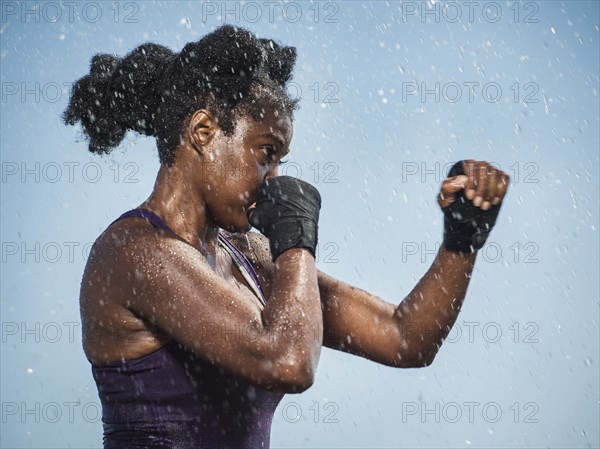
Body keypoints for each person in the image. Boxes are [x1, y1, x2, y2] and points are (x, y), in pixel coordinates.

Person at [64, 25, 510, 449]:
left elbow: (405, 338)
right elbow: (287, 362)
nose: (274, 179)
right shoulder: (135, 252)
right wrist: (297, 240)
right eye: (266, 153)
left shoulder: (247, 255)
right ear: (203, 132)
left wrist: (462, 240)